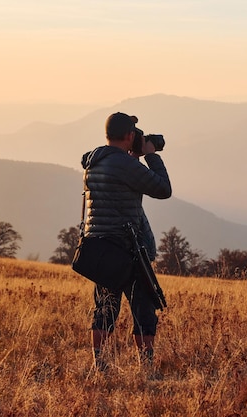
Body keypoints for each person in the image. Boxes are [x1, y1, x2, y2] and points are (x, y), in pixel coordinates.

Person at [80, 112, 172, 371]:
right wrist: (151, 154)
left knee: (105, 308)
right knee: (144, 308)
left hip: (99, 247)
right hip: (128, 248)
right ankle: (146, 368)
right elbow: (163, 189)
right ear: (131, 136)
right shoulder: (124, 166)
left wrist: (131, 160)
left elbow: (117, 187)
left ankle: (100, 365)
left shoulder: (94, 161)